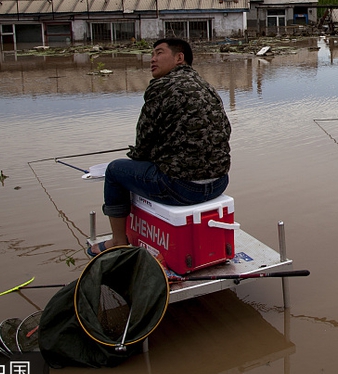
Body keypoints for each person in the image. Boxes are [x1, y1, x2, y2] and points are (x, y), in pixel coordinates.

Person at [87, 38, 231, 257]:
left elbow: (143, 142)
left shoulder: (163, 86)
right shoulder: (207, 87)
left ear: (179, 58)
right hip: (219, 183)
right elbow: (225, 131)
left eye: (159, 53)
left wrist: (140, 158)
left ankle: (118, 240)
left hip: (181, 188)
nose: (152, 59)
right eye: (152, 54)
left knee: (115, 171)